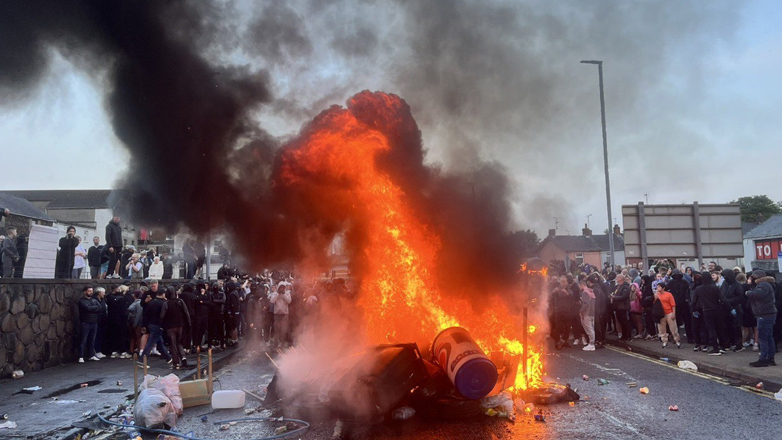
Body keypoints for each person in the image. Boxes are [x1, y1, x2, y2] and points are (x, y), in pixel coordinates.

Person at [692, 270, 730, 355]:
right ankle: (722, 347)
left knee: (711, 329)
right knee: (720, 328)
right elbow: (723, 299)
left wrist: (693, 310)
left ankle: (715, 348)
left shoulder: (699, 289)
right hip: (717, 310)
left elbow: (694, 301)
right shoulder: (715, 287)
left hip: (706, 311)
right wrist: (730, 309)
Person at [746, 270, 777, 367]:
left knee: (763, 337)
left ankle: (763, 359)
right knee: (768, 336)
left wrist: (748, 292)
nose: (751, 279)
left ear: (757, 277)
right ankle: (770, 358)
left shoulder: (763, 285)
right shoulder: (765, 284)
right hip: (767, 314)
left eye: (752, 277)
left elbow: (758, 294)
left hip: (764, 314)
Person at [140, 287, 173, 364]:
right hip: (158, 325)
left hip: (151, 324)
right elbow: (164, 315)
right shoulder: (163, 303)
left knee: (159, 342)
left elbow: (147, 313)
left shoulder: (152, 302)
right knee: (151, 343)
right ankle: (142, 360)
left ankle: (168, 358)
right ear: (163, 294)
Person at [162, 286, 191, 369]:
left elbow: (162, 316)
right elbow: (186, 312)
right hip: (180, 325)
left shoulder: (166, 303)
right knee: (179, 342)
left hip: (170, 326)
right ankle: (183, 358)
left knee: (172, 344)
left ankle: (176, 362)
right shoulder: (180, 301)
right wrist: (188, 323)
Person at [721, 268, 746, 352]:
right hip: (725, 308)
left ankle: (738, 344)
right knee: (726, 327)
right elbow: (721, 293)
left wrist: (729, 301)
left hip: (735, 308)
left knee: (736, 327)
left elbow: (740, 297)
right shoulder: (725, 283)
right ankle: (728, 343)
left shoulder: (737, 285)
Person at [78, 286, 102, 363]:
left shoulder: (94, 300)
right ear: (85, 292)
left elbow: (100, 308)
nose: (91, 292)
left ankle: (91, 355)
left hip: (94, 322)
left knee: (92, 340)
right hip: (85, 322)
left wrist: (92, 308)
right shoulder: (82, 301)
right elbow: (87, 308)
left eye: (91, 291)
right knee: (83, 340)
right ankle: (80, 356)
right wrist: (94, 308)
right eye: (89, 291)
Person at [667, 269, 693, 343]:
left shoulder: (672, 282)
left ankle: (682, 337)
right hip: (679, 304)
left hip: (679, 304)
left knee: (682, 322)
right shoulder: (682, 282)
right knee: (682, 322)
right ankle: (684, 337)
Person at [106, 285, 131, 359]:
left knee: (114, 336)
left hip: (112, 319)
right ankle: (123, 351)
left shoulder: (110, 298)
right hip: (121, 321)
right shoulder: (122, 299)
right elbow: (123, 312)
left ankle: (114, 351)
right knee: (122, 336)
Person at [653, 283, 682, 348]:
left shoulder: (669, 294)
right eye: (657, 287)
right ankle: (664, 341)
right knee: (661, 329)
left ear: (663, 288)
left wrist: (673, 313)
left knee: (673, 327)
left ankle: (677, 340)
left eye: (659, 287)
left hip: (669, 312)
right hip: (660, 313)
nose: (658, 288)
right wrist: (655, 298)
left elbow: (673, 305)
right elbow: (654, 304)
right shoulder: (656, 295)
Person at [270, 283, 292, 349]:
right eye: (280, 287)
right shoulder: (275, 293)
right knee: (277, 330)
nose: (282, 289)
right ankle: (275, 344)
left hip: (284, 314)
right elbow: (272, 300)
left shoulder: (287, 293)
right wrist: (277, 294)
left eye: (283, 287)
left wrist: (284, 294)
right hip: (277, 314)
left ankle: (282, 344)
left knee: (283, 330)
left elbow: (289, 301)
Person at [611, 274, 632, 341]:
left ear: (621, 279)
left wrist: (615, 297)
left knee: (625, 321)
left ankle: (628, 336)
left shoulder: (625, 287)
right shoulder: (617, 286)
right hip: (618, 307)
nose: (616, 279)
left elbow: (624, 296)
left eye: (617, 277)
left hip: (623, 307)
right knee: (621, 322)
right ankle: (623, 335)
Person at [578, 279, 596, 351]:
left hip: (587, 313)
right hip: (592, 312)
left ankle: (591, 344)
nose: (579, 288)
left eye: (580, 286)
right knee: (591, 329)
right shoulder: (591, 291)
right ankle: (591, 344)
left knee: (589, 329)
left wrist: (581, 311)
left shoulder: (584, 293)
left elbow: (586, 304)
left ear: (582, 285)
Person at [93, 287, 109, 358]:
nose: (104, 294)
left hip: (103, 320)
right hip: (97, 320)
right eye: (103, 292)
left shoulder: (102, 300)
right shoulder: (94, 300)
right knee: (96, 336)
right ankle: (96, 351)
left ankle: (99, 350)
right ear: (99, 293)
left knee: (101, 336)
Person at [127, 289, 144, 357]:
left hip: (137, 322)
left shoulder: (138, 303)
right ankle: (131, 350)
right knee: (133, 336)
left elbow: (138, 314)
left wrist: (135, 324)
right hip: (132, 321)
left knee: (138, 337)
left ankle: (140, 351)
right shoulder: (135, 302)